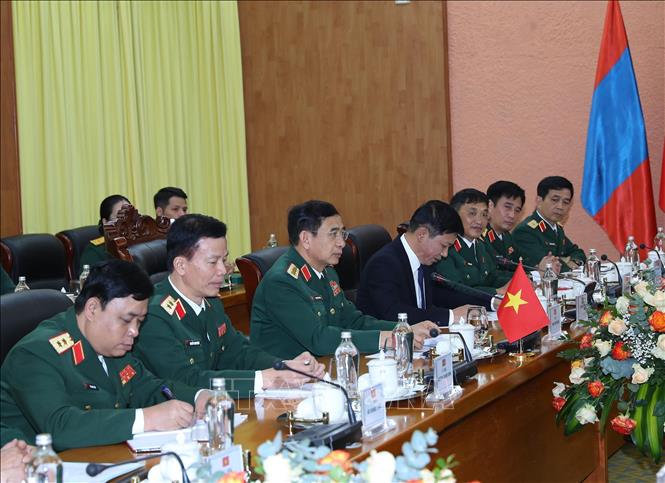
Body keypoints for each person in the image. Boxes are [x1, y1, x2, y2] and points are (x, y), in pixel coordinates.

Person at [0, 260, 210, 451]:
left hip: (102, 455)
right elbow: (60, 428)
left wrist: (199, 396)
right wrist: (146, 418)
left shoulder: (111, 345)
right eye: (127, 320)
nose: (134, 332)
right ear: (92, 309)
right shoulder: (34, 354)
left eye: (140, 321)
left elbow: (148, 387)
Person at [134, 214, 324, 399]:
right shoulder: (153, 315)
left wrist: (283, 367)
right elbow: (186, 381)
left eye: (224, 260)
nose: (223, 270)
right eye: (212, 262)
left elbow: (239, 351)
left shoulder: (211, 302)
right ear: (181, 265)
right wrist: (262, 380)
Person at [250, 200, 438, 360]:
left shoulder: (328, 273)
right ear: (306, 239)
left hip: (324, 369)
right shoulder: (282, 281)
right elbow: (319, 339)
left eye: (343, 233)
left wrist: (403, 329)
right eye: (333, 234)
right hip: (284, 384)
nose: (342, 242)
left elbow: (353, 321)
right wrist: (387, 338)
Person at [356, 200, 494, 325]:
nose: (445, 254)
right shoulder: (384, 264)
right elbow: (393, 314)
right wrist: (451, 316)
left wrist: (491, 303)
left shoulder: (426, 261)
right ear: (422, 234)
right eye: (443, 245)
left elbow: (444, 296)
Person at [435, 189, 512, 295]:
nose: (479, 221)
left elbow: (492, 277)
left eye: (484, 215)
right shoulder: (446, 248)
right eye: (472, 213)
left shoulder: (480, 245)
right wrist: (496, 291)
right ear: (454, 214)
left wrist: (519, 280)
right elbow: (454, 289)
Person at [483, 181, 561, 274]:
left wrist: (544, 265)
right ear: (490, 206)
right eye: (507, 207)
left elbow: (522, 262)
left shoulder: (506, 237)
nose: (512, 215)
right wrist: (536, 274)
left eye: (517, 210)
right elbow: (495, 276)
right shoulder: (480, 238)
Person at [513, 176, 586, 272]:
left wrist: (573, 262)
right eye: (555, 200)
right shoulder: (525, 231)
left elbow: (578, 253)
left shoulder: (556, 228)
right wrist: (566, 261)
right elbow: (550, 267)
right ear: (539, 201)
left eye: (565, 202)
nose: (560, 207)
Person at [79, 194, 130, 271]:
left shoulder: (142, 244)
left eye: (129, 216)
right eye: (119, 217)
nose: (125, 222)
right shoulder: (94, 252)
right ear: (105, 222)